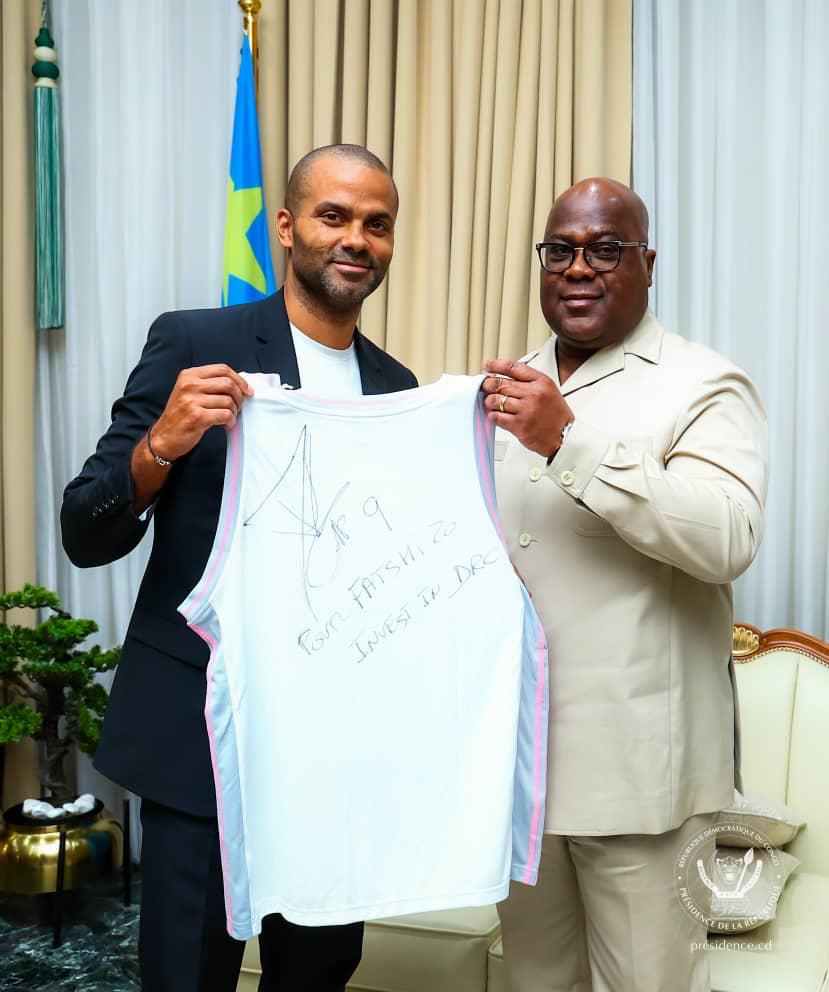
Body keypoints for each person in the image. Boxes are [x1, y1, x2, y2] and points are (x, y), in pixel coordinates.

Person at [61, 144, 416, 992]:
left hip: (333, 754)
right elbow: (84, 528)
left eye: (377, 224)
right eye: (334, 216)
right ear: (287, 226)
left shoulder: (397, 390)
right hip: (200, 737)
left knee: (320, 971)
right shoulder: (195, 343)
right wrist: (159, 446)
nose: (356, 239)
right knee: (186, 973)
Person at [481, 178, 768, 992]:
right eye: (559, 251)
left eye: (605, 249)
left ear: (646, 264)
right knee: (537, 982)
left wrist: (568, 443)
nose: (579, 268)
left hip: (642, 780)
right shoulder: (498, 388)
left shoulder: (705, 384)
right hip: (519, 774)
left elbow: (725, 536)